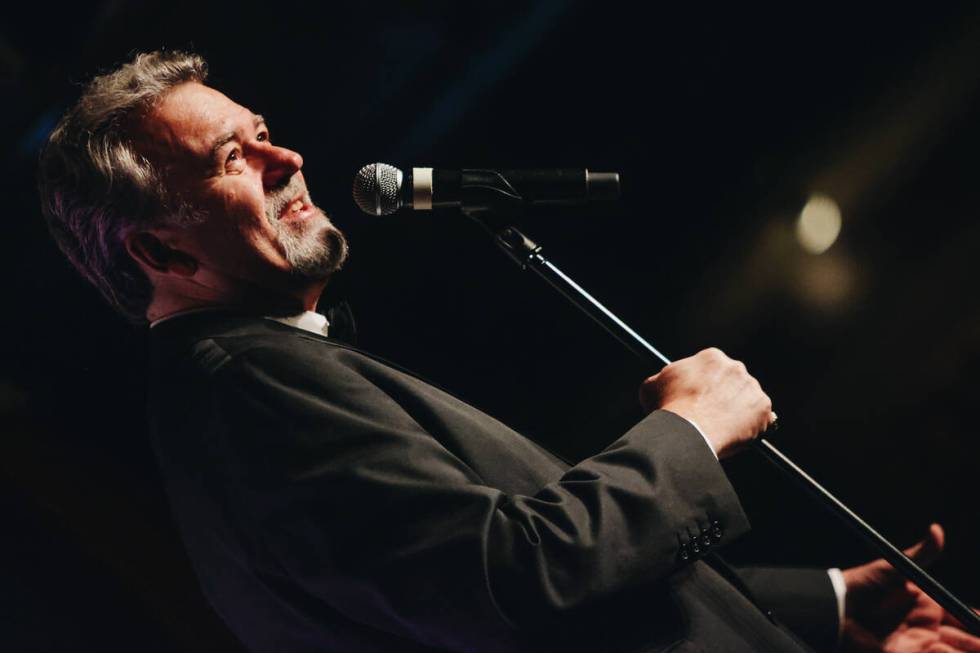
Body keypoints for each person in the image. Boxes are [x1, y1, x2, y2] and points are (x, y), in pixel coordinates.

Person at [37, 50, 978, 653]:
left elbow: (525, 582)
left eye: (265, 135)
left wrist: (827, 602)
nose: (286, 162)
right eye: (230, 159)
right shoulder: (244, 387)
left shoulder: (249, 380)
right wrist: (688, 435)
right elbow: (508, 580)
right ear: (162, 252)